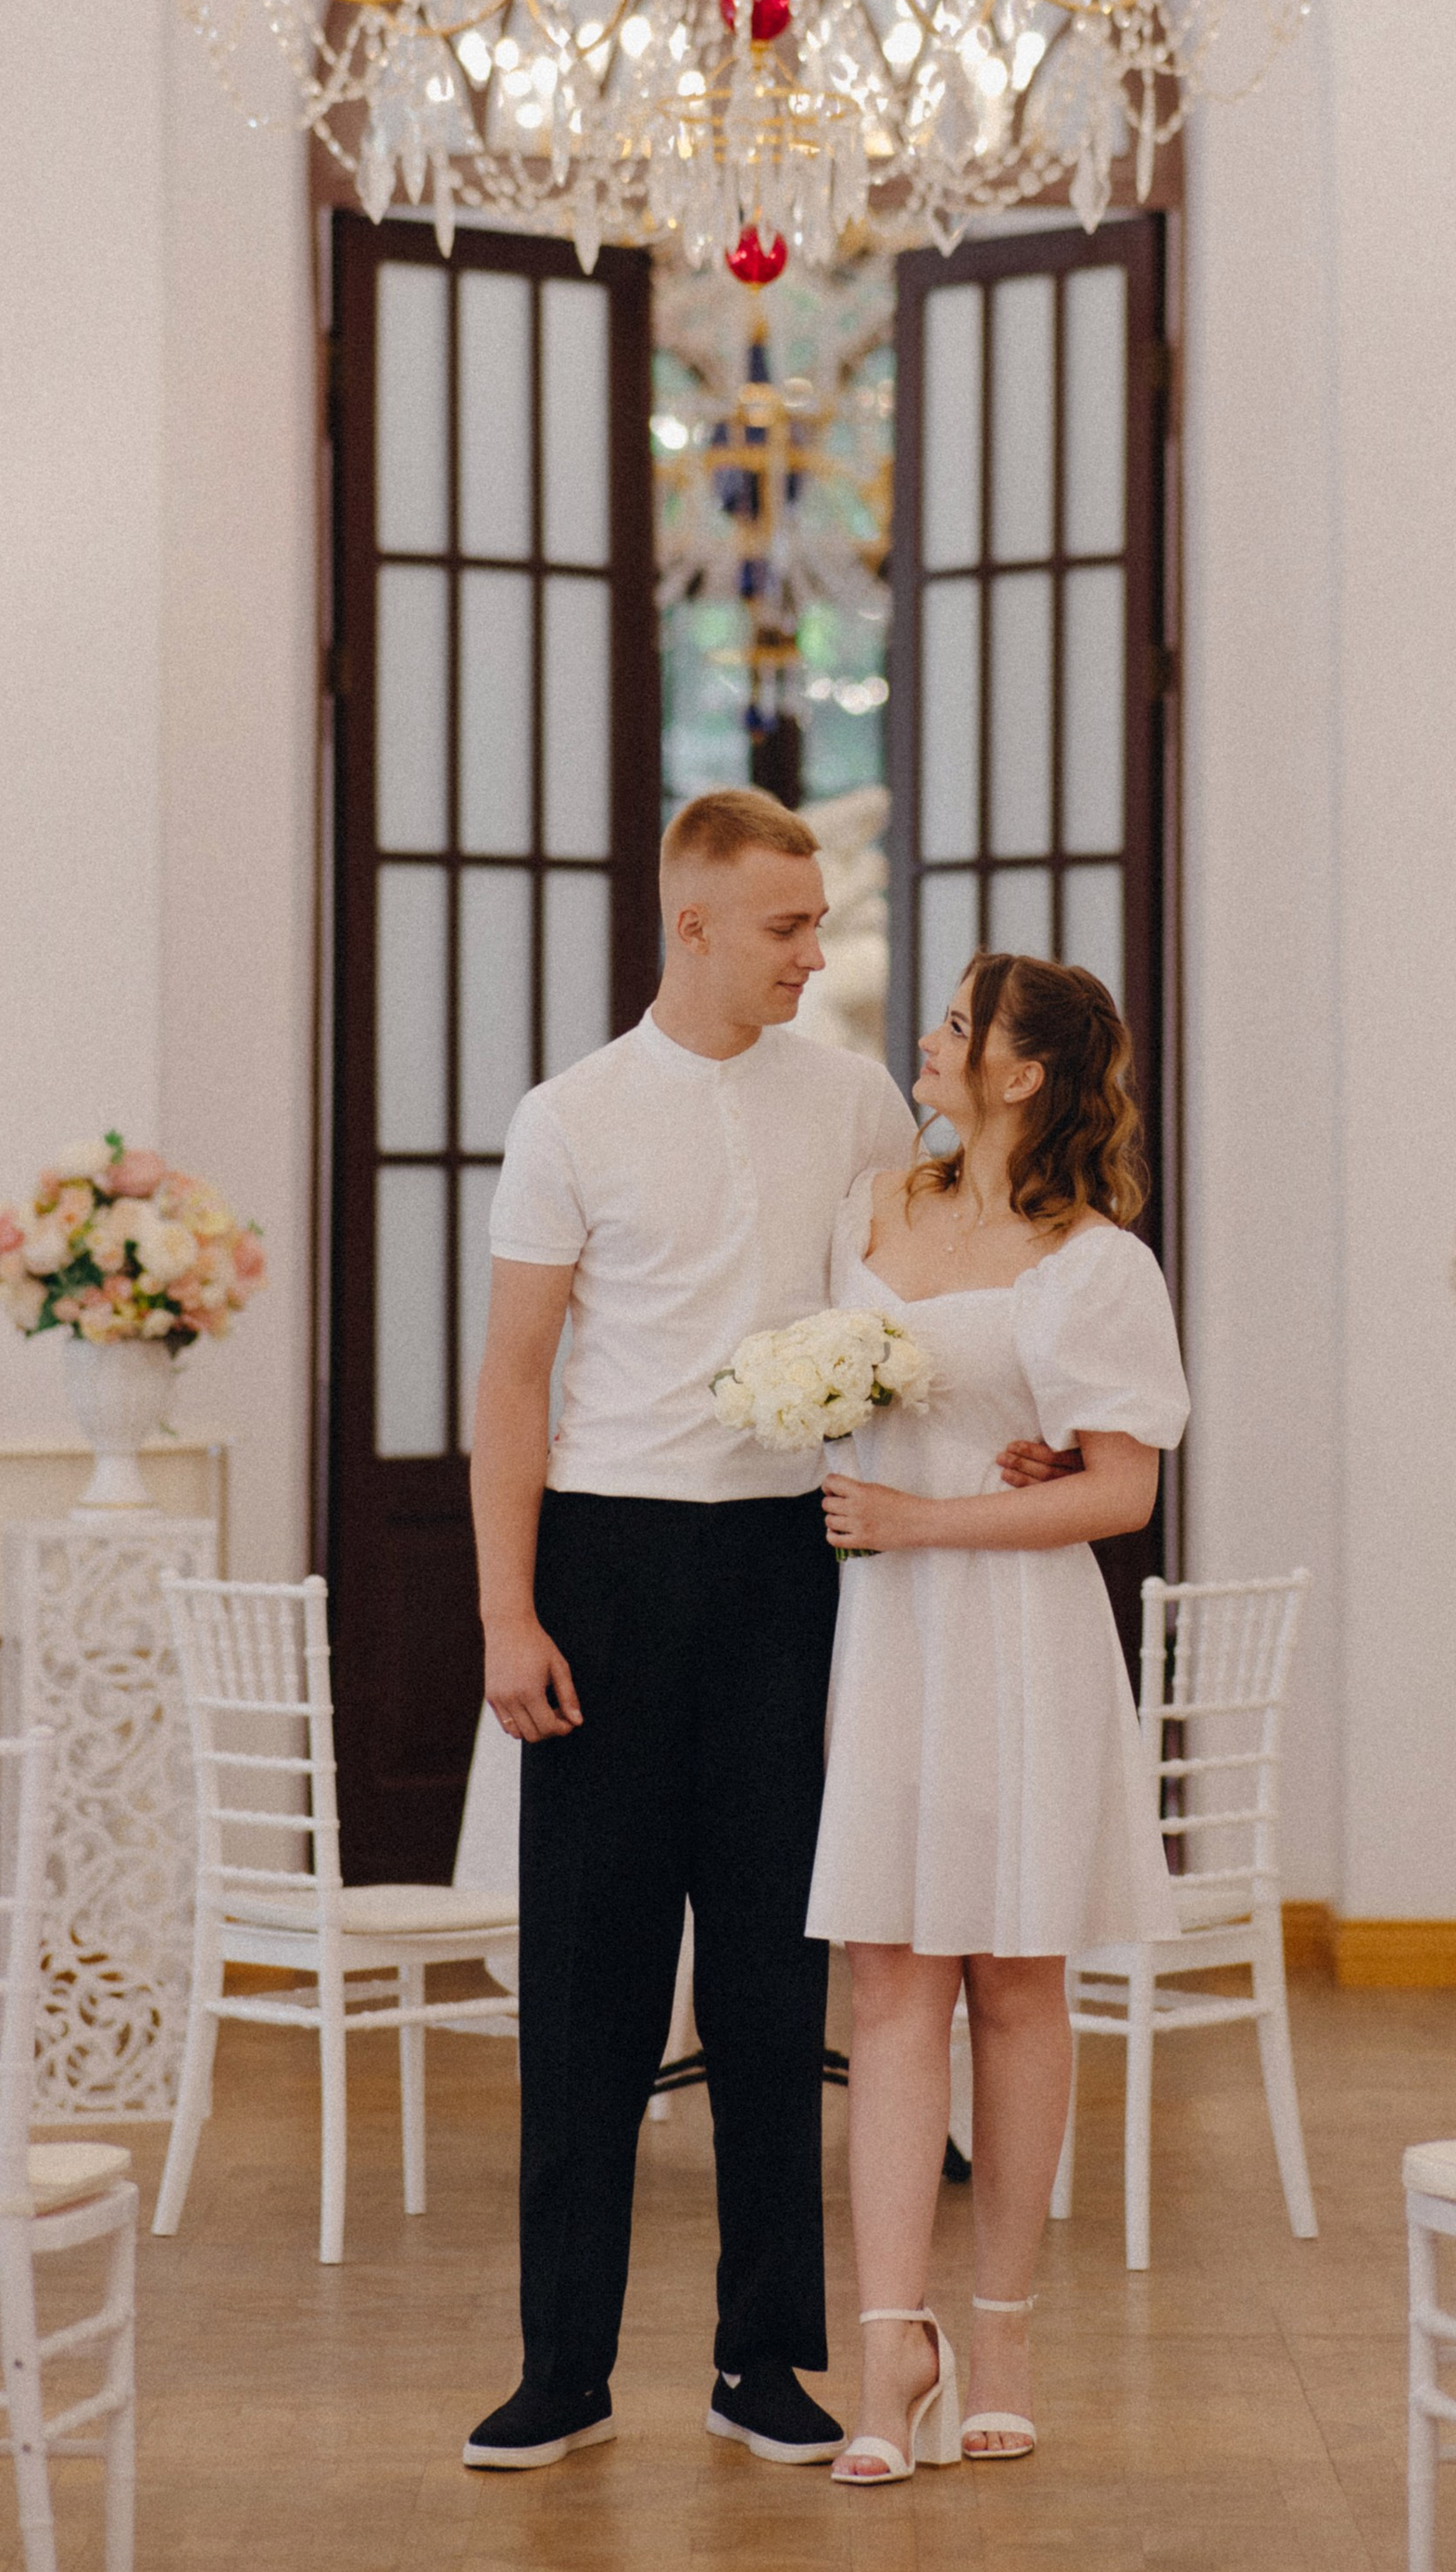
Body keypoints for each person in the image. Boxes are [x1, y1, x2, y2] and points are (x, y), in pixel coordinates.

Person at [459, 785, 920, 2474]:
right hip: (606, 1565)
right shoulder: (572, 1115)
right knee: (587, 1977)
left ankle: (761, 2361)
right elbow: (512, 1382)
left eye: (818, 921)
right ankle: (562, 2365)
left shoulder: (861, 1100)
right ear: (698, 924)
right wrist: (508, 1611)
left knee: (767, 1971)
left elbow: (924, 1303)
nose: (816, 951)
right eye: (789, 926)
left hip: (793, 1569)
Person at [809, 949, 1190, 2484]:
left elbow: (1122, 1483)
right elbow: (830, 1383)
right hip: (886, 1638)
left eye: (959, 1022)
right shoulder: (875, 1211)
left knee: (1019, 1984)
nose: (930, 1035)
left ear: (1020, 1073)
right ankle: (886, 2349)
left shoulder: (1099, 1261)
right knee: (893, 1985)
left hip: (1015, 1632)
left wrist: (926, 1517)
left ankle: (1007, 2330)